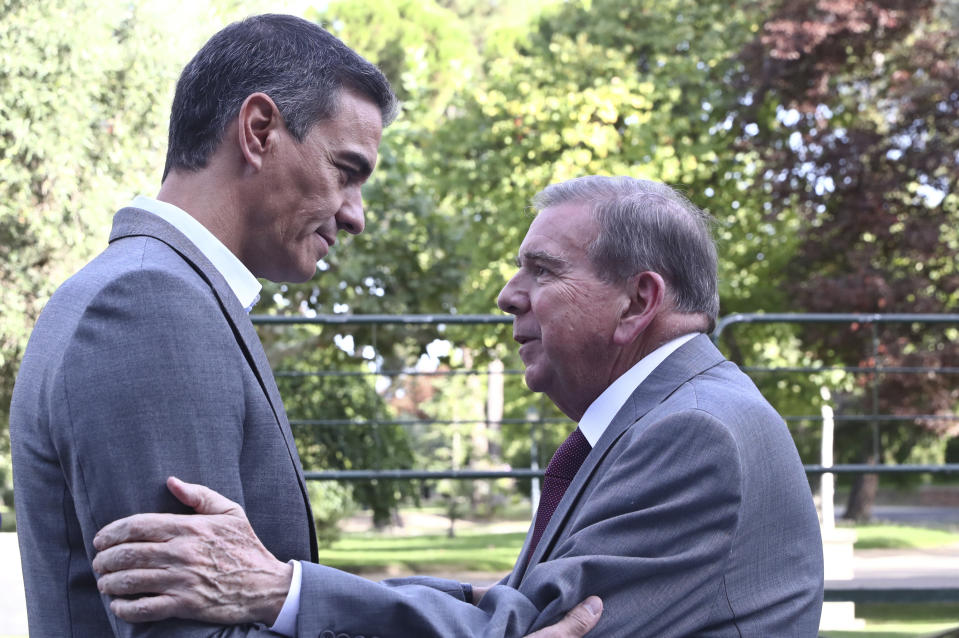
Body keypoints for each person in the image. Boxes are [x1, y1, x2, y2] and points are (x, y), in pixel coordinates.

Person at [9, 13, 597, 638]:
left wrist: (465, 602)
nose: (356, 217)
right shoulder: (151, 305)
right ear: (259, 131)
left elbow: (259, 584)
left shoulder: (148, 288)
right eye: (346, 171)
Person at [92, 176, 826, 636]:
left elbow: (528, 627)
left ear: (637, 301)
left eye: (540, 270)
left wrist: (277, 590)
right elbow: (513, 603)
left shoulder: (694, 434)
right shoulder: (674, 416)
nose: (506, 295)